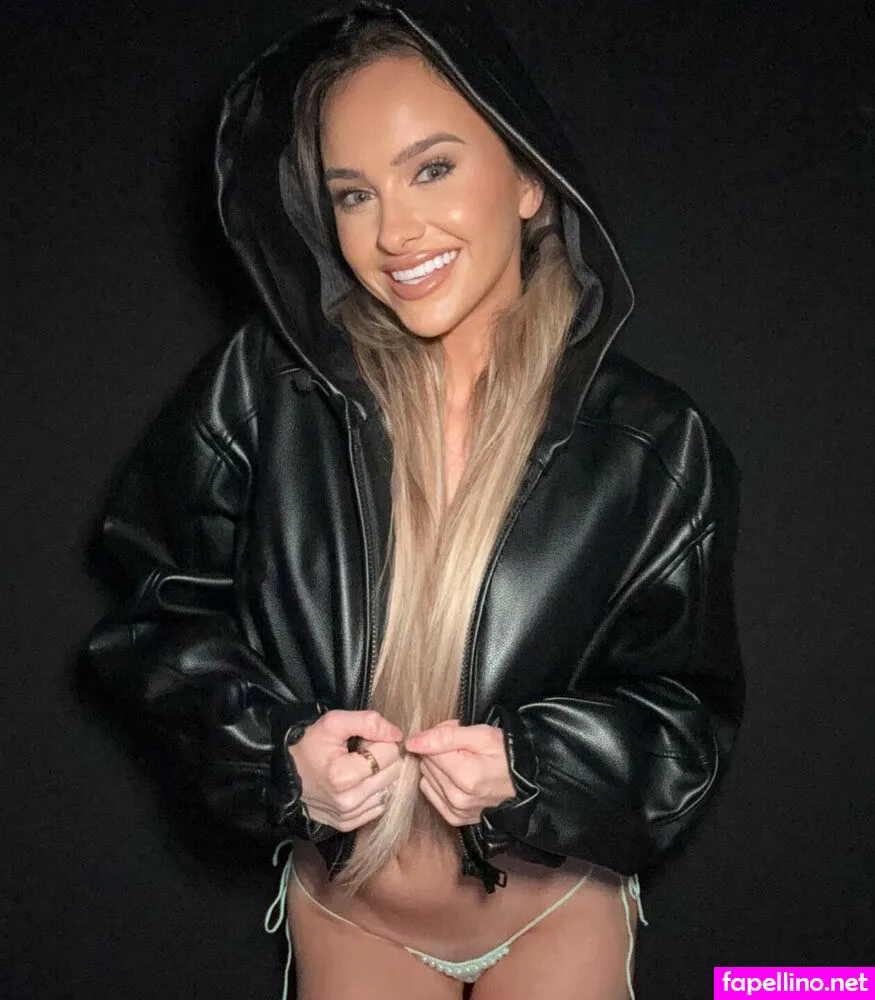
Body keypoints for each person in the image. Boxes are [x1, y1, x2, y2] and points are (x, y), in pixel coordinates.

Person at [83, 2, 745, 999]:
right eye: (352, 194)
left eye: (430, 169)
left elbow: (684, 713)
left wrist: (533, 765)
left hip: (555, 911)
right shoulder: (266, 391)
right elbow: (154, 614)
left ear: (528, 178)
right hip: (353, 914)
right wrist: (276, 752)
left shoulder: (652, 440)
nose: (391, 232)